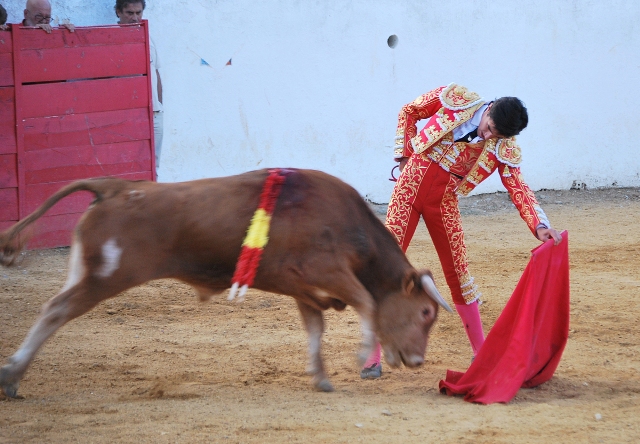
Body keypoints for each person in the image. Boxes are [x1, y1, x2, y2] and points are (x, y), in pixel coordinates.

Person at [360, 83, 563, 379]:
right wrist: (405, 157)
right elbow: (410, 111)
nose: (488, 136)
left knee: (459, 272)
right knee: (385, 264)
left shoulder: (503, 145)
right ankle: (372, 351)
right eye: (490, 127)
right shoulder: (456, 98)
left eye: (497, 135)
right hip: (410, 184)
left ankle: (480, 352)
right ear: (489, 109)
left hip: (444, 199)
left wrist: (540, 225)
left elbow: (518, 186)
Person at [115, 0, 163, 172]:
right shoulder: (109, 38)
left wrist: (159, 107)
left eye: (138, 13)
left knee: (153, 166)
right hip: (129, 115)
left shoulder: (148, 37)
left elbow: (156, 73)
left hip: (154, 113)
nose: (135, 18)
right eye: (130, 13)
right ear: (118, 12)